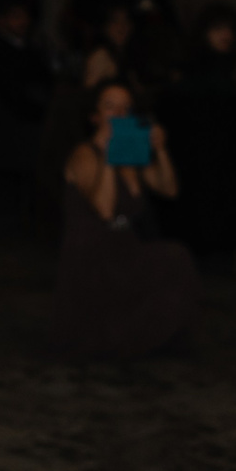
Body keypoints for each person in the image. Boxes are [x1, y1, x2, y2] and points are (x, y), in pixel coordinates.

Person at [51, 81, 196, 358]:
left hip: (123, 245)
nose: (119, 113)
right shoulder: (84, 155)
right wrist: (109, 155)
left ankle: (150, 336)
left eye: (125, 108)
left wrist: (161, 149)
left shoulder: (131, 153)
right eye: (110, 106)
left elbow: (170, 189)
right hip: (91, 251)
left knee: (176, 258)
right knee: (170, 258)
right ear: (95, 116)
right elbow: (105, 210)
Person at [0, 0, 53, 124]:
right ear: (0, 20)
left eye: (26, 16)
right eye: (16, 17)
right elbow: (11, 95)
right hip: (15, 121)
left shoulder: (30, 46)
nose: (24, 21)